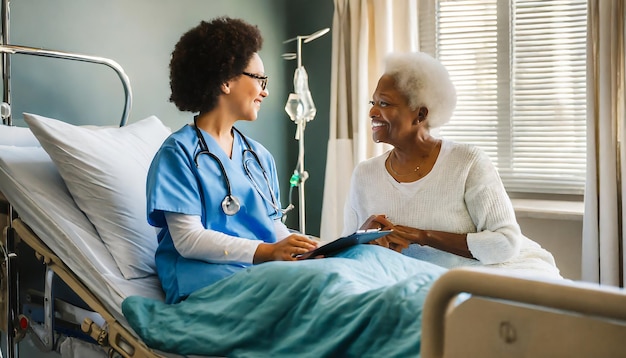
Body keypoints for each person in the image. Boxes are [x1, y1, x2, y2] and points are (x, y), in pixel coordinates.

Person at [342, 51, 562, 279]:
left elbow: (505, 243)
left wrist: (421, 236)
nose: (372, 112)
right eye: (373, 103)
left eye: (384, 103)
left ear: (420, 114)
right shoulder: (365, 174)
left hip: (479, 278)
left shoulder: (467, 162)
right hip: (408, 284)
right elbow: (345, 254)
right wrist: (363, 234)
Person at [146, 17, 318, 304]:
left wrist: (303, 250)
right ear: (225, 80)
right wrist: (267, 252)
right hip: (202, 284)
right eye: (259, 79)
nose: (265, 90)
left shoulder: (258, 157)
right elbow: (188, 240)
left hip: (259, 273)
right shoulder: (178, 153)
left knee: (354, 262)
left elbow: (274, 228)